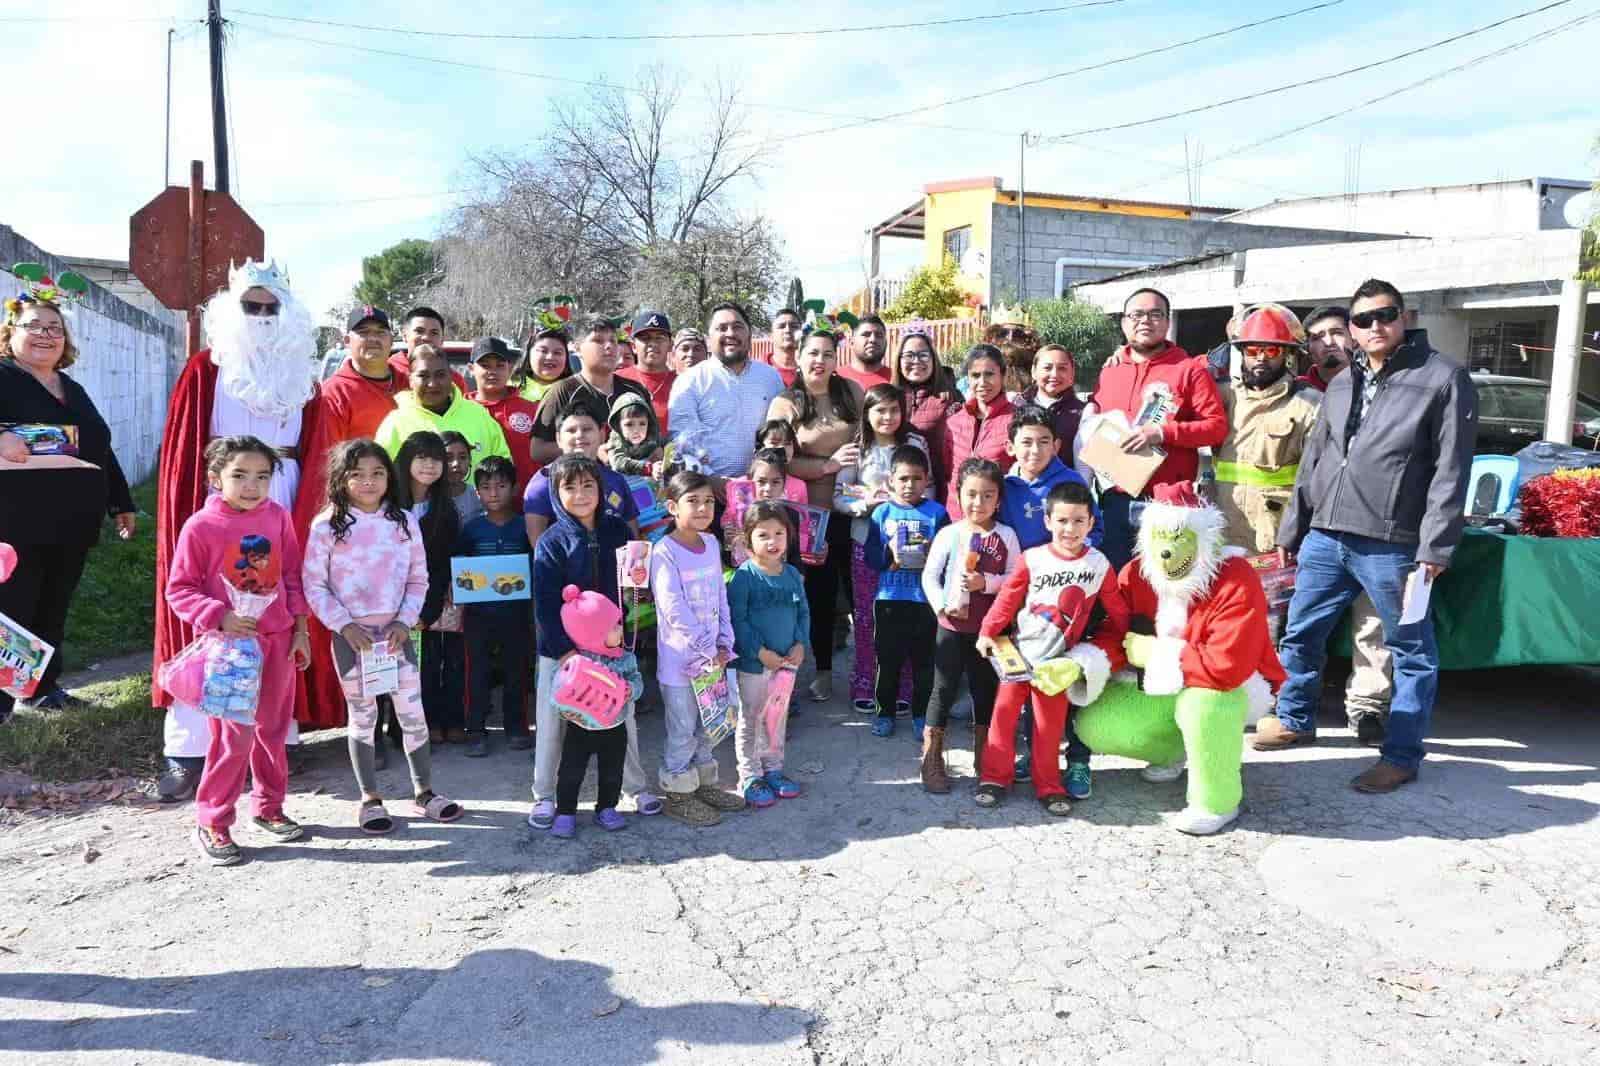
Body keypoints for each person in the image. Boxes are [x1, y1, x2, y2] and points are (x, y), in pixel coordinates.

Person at [1259, 279, 1477, 793]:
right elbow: (1316, 458)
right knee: (1301, 633)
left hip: (1392, 541)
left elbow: (1452, 471)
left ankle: (1401, 754)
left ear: (1404, 318)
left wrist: (1435, 548)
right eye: (1363, 320)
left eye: (1385, 315)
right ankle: (1294, 719)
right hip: (1326, 535)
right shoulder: (1341, 382)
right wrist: (1296, 526)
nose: (1374, 327)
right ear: (1353, 329)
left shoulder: (1444, 378)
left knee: (1411, 649)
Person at [152, 260, 314, 797]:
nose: (264, 316)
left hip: (281, 497)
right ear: (233, 309)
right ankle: (191, 747)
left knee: (272, 614)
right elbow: (184, 448)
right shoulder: (207, 367)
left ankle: (275, 739)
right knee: (214, 619)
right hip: (218, 503)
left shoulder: (301, 371)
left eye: (273, 307)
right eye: (253, 306)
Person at [301, 439, 464, 833]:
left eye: (376, 473)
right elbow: (314, 584)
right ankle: (370, 799)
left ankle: (424, 792)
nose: (368, 482)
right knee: (363, 717)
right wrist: (344, 625)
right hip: (351, 640)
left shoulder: (404, 521)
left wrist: (404, 622)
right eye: (356, 475)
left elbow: (418, 578)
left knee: (413, 715)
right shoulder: (326, 525)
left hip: (396, 638)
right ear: (341, 479)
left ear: (389, 477)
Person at [164, 436, 310, 865]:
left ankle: (268, 807)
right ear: (215, 478)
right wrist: (219, 615)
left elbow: (294, 578)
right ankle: (213, 820)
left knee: (273, 729)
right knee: (232, 737)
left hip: (279, 641)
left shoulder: (278, 517)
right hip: (231, 650)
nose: (252, 486)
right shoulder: (201, 527)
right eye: (240, 476)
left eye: (262, 476)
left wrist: (300, 631)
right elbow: (180, 589)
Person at [0, 266, 135, 723]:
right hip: (14, 522)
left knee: (52, 606)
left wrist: (121, 501)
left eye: (54, 328)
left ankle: (41, 689)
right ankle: (2, 701)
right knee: (12, 608)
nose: (45, 334)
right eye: (33, 326)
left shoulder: (71, 387)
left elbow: (98, 445)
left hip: (71, 522)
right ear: (11, 331)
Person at [974, 480, 1129, 815]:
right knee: (1003, 718)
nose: (1069, 529)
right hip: (1016, 655)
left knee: (1049, 728)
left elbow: (1116, 607)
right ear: (1047, 522)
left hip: (1056, 665)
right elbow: (1007, 599)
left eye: (1078, 521)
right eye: (1061, 520)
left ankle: (1049, 785)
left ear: (1091, 523)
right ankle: (994, 778)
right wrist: (988, 631)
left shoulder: (1098, 564)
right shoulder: (1033, 558)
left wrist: (1127, 638)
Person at [291, 305, 411, 735]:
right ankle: (365, 722)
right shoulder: (336, 393)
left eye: (382, 331)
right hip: (360, 526)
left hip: (405, 519)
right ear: (348, 341)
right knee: (364, 623)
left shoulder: (406, 384)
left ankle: (403, 718)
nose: (374, 339)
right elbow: (328, 467)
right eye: (364, 333)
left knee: (405, 616)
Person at [528, 454, 662, 830]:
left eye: (589, 485)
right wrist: (567, 654)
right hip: (562, 654)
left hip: (611, 648)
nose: (581, 494)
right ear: (556, 493)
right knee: (552, 723)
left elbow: (632, 590)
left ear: (601, 489)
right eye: (569, 487)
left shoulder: (618, 530)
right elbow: (544, 603)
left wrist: (630, 630)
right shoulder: (551, 542)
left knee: (624, 719)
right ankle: (543, 796)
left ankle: (634, 789)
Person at [1295, 305, 1393, 740]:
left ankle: (1368, 709)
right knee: (1303, 625)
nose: (1327, 343)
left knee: (1371, 622)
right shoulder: (1298, 392)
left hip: (1374, 523)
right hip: (1316, 523)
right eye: (1316, 337)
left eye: (1336, 332)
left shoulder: (1382, 386)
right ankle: (1295, 709)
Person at [1083, 288, 1226, 570]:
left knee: (1167, 588)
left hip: (1167, 502)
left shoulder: (1189, 370)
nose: (1145, 321)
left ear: (1167, 321)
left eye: (1155, 314)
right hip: (1115, 501)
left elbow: (1216, 427)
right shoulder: (1110, 370)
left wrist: (1162, 432)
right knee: (1116, 584)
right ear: (1124, 323)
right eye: (1136, 314)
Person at [764, 327, 863, 702]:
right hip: (808, 517)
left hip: (852, 510)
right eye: (812, 353)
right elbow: (777, 460)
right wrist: (826, 466)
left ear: (836, 359)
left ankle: (868, 670)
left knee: (856, 592)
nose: (819, 360)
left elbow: (867, 437)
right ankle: (820, 672)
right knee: (818, 596)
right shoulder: (785, 403)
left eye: (826, 353)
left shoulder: (851, 394)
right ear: (799, 358)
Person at [650, 471, 747, 825]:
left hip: (716, 659)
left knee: (712, 725)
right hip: (682, 665)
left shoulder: (709, 544)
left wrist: (725, 642)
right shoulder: (664, 552)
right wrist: (708, 648)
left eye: (708, 501)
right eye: (693, 501)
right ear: (673, 506)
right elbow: (673, 609)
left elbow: (720, 594)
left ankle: (703, 783)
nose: (703, 508)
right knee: (683, 728)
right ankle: (677, 792)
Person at [920, 459, 1020, 793]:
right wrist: (939, 609)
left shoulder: (1006, 535)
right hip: (950, 628)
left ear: (999, 500)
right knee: (943, 689)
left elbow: (1015, 579)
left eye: (987, 496)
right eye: (971, 494)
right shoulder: (949, 534)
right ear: (958, 494)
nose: (978, 503)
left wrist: (985, 583)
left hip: (989, 632)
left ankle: (985, 757)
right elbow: (930, 576)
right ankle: (932, 758)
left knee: (985, 690)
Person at [834, 384, 926, 714]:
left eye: (894, 410)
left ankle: (903, 686)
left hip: (911, 542)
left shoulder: (915, 444)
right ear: (867, 414)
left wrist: (908, 502)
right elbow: (840, 497)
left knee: (904, 615)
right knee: (867, 616)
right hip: (867, 541)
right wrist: (864, 504)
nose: (887, 417)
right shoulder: (857, 450)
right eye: (880, 410)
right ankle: (866, 682)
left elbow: (929, 488)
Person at [1213, 305, 1321, 553]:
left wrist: (1295, 533)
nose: (1261, 357)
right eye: (1253, 350)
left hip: (1273, 535)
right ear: (1242, 353)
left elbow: (1317, 480)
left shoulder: (1309, 404)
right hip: (1220, 529)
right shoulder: (1224, 396)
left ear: (1287, 354)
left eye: (1271, 350)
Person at [862, 446, 947, 740]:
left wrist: (931, 557)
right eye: (903, 479)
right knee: (888, 661)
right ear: (890, 481)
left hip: (925, 601)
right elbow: (870, 556)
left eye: (916, 478)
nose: (909, 485)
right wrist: (890, 555)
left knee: (924, 663)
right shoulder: (881, 513)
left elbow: (948, 557)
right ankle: (884, 713)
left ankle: (921, 714)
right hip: (889, 600)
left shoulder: (937, 513)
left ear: (927, 480)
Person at [728, 501, 810, 807]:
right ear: (748, 539)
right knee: (751, 718)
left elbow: (803, 612)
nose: (773, 541)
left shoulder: (791, 574)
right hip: (754, 664)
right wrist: (760, 652)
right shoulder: (744, 578)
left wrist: (800, 644)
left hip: (786, 665)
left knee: (777, 718)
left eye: (779, 533)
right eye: (764, 535)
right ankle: (749, 775)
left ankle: (774, 769)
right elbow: (738, 621)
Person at [549, 585, 644, 838]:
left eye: (619, 624)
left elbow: (638, 681)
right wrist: (564, 707)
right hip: (580, 727)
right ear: (593, 634)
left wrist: (630, 690)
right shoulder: (577, 662)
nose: (620, 630)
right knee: (570, 771)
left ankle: (607, 808)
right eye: (613, 627)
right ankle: (566, 811)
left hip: (615, 726)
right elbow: (556, 687)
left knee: (612, 771)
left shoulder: (625, 658)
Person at [455, 456, 533, 757]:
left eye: (501, 486)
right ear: (477, 493)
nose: (494, 493)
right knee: (477, 672)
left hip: (516, 613)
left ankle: (517, 727)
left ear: (514, 488)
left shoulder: (524, 526)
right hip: (478, 615)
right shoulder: (472, 529)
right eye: (486, 487)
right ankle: (475, 730)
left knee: (517, 670)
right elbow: (460, 567)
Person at [392, 431, 464, 746]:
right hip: (388, 602)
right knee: (391, 668)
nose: (430, 466)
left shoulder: (445, 510)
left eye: (436, 459)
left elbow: (441, 563)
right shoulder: (388, 504)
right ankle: (393, 731)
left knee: (431, 662)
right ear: (406, 459)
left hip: (428, 603)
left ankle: (431, 723)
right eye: (422, 457)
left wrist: (427, 610)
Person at [667, 303, 785, 494]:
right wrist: (712, 480)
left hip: (763, 492)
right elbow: (681, 439)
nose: (730, 333)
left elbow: (782, 433)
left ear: (749, 334)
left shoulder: (771, 377)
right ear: (709, 338)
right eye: (721, 328)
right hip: (707, 493)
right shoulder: (690, 380)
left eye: (737, 327)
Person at [528, 316, 649, 466]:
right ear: (577, 348)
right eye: (598, 341)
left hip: (632, 484)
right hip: (581, 484)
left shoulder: (635, 391)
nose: (609, 346)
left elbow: (652, 440)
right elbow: (538, 450)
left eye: (613, 340)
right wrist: (589, 449)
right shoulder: (563, 391)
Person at [374, 344, 510, 470]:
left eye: (440, 375)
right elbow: (380, 473)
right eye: (423, 376)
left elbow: (504, 470)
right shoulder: (395, 422)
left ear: (451, 377)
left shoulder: (479, 415)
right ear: (410, 380)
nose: (432, 384)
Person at [523, 409, 640, 548]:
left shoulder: (616, 480)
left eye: (587, 429)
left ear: (602, 435)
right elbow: (538, 547)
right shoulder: (542, 483)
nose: (579, 435)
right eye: (571, 431)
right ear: (559, 438)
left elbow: (633, 540)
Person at [941, 344, 1017, 519]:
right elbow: (947, 472)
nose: (982, 382)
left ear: (1003, 376)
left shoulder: (1016, 421)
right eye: (975, 375)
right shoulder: (954, 421)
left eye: (989, 374)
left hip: (999, 521)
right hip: (956, 520)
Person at [890, 324, 962, 497]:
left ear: (933, 359)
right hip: (893, 494)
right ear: (899, 360)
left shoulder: (950, 398)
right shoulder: (888, 397)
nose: (916, 361)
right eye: (909, 355)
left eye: (923, 355)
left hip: (935, 494)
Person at [467, 336, 541, 496]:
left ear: (510, 368)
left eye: (500, 365)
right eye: (485, 365)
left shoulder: (531, 408)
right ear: (471, 369)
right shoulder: (462, 410)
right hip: (471, 508)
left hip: (525, 506)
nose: (492, 372)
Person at [1018, 344, 1084, 460]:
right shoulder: (1017, 405)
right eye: (1047, 368)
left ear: (1072, 373)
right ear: (1033, 371)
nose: (1054, 375)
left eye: (1062, 368)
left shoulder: (1083, 413)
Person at [616, 309, 675, 433]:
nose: (652, 343)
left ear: (670, 345)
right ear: (633, 346)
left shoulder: (683, 384)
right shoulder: (616, 380)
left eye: (660, 338)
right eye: (645, 338)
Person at [393, 307, 467, 392]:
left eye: (434, 333)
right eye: (419, 331)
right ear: (405, 336)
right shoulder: (388, 370)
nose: (426, 338)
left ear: (442, 339)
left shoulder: (454, 380)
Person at [514, 316, 575, 405]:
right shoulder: (507, 387)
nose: (550, 357)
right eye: (543, 351)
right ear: (528, 353)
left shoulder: (576, 394)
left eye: (557, 353)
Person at [601, 391, 664, 478]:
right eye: (629, 424)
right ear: (618, 425)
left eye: (642, 424)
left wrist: (663, 452)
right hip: (626, 480)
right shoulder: (617, 439)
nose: (636, 430)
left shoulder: (652, 434)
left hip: (647, 480)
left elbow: (665, 443)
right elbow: (618, 463)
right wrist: (648, 468)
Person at [1299, 306, 1355, 392]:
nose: (1329, 342)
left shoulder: (1375, 385)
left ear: (1354, 339)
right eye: (1318, 337)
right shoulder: (1295, 391)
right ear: (1308, 348)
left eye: (1337, 333)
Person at [441, 431, 485, 527]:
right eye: (448, 458)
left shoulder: (480, 497)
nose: (456, 463)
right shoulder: (426, 499)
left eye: (462, 457)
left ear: (470, 460)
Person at [839, 314, 893, 391]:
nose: (873, 339)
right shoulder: (836, 378)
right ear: (851, 342)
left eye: (879, 335)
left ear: (886, 343)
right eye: (866, 334)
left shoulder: (895, 379)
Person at [762, 307, 802, 387]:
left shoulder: (811, 369)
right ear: (771, 335)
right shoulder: (758, 369)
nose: (788, 330)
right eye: (781, 326)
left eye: (794, 326)